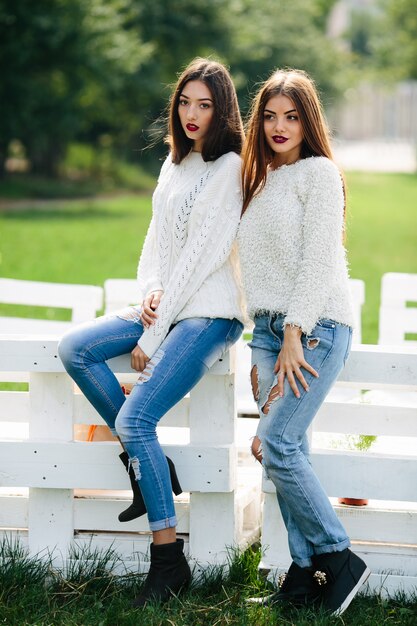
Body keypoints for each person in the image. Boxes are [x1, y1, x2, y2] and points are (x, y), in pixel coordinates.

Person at [58, 57, 245, 607]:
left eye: (204, 105)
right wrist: (148, 296)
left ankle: (168, 561)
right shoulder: (174, 162)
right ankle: (150, 466)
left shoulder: (229, 166)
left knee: (137, 416)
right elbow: (156, 248)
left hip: (209, 312)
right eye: (185, 102)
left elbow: (202, 257)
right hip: (166, 306)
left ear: (222, 110)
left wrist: (153, 334)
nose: (192, 114)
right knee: (76, 349)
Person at [237, 68, 370, 616]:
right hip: (268, 330)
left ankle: (338, 557)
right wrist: (258, 341)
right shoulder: (259, 179)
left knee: (279, 443)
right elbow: (258, 269)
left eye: (291, 116)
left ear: (308, 121)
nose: (279, 126)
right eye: (269, 116)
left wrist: (293, 332)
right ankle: (304, 570)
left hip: (315, 325)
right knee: (282, 450)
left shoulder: (320, 174)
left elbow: (318, 260)